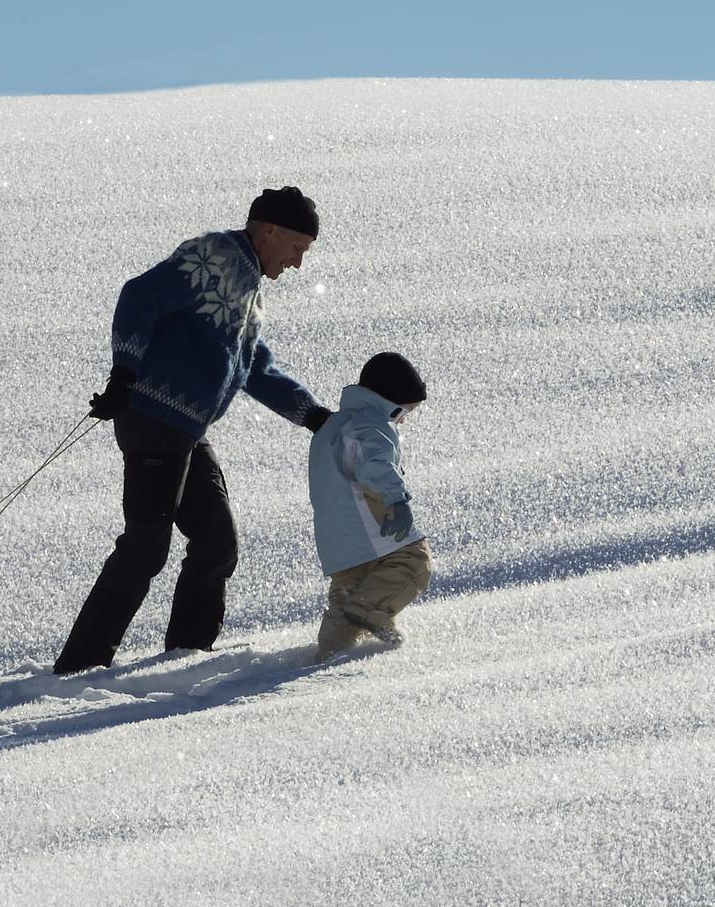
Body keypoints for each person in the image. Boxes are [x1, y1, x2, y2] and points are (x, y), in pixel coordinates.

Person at [52, 187, 333, 675]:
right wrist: (124, 374)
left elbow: (254, 367)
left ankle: (184, 659)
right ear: (270, 230)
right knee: (146, 546)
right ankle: (80, 667)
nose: (297, 264)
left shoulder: (247, 285)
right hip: (154, 420)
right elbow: (139, 296)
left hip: (185, 431)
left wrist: (312, 416)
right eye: (297, 248)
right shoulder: (218, 256)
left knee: (216, 541)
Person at [308, 352, 433, 661]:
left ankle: (330, 655)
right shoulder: (371, 424)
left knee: (349, 590)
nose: (404, 419)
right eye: (405, 411)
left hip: (336, 537)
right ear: (391, 400)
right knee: (414, 562)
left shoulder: (333, 425)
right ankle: (369, 609)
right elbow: (375, 465)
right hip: (368, 522)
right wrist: (396, 500)